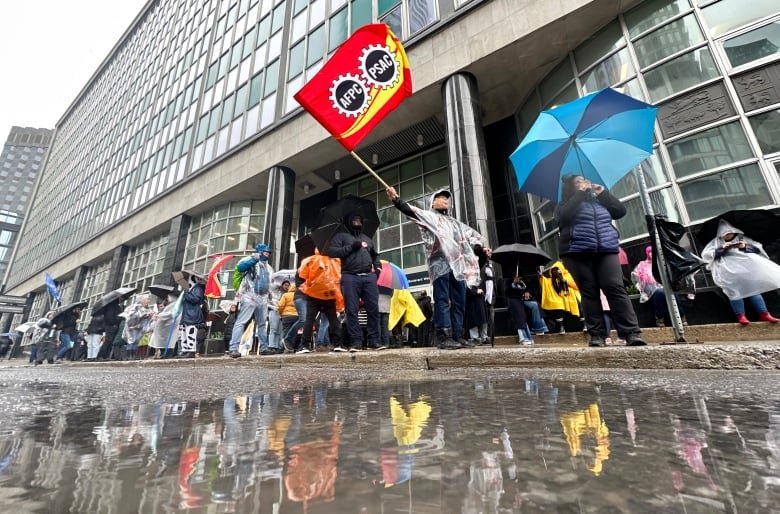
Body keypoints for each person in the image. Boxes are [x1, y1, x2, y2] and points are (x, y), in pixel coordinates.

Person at [386, 186, 491, 349]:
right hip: (439, 264)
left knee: (460, 301)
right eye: (440, 198)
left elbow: (468, 239)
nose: (445, 200)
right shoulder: (429, 217)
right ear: (433, 203)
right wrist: (396, 199)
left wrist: (480, 249)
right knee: (442, 299)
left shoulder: (455, 223)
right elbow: (410, 210)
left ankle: (457, 335)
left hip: (457, 266)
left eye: (446, 198)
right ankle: (444, 336)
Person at [554, 175, 646, 347]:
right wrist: (579, 195)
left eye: (585, 180)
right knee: (589, 291)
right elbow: (562, 217)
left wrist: (603, 193)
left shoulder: (599, 200)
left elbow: (620, 211)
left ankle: (631, 333)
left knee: (614, 287)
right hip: (577, 251)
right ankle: (597, 335)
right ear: (570, 187)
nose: (584, 182)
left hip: (606, 248)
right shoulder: (565, 203)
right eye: (578, 181)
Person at [701, 220, 780, 325]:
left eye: (730, 234)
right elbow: (707, 256)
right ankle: (741, 315)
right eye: (726, 234)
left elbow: (757, 249)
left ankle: (764, 313)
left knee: (754, 291)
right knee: (734, 293)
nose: (729, 236)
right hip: (728, 272)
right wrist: (722, 249)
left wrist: (744, 247)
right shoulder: (715, 242)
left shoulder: (742, 238)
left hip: (746, 270)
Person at [326, 213, 383, 351]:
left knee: (373, 310)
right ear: (348, 221)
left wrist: (378, 268)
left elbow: (374, 255)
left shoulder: (367, 238)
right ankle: (356, 341)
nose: (357, 221)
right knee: (352, 311)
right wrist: (352, 247)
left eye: (359, 219)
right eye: (354, 219)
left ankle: (373, 341)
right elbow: (332, 252)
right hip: (350, 277)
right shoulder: (340, 237)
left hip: (369, 277)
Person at [229, 243, 275, 358]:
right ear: (260, 251)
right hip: (249, 296)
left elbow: (270, 284)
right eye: (266, 251)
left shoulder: (268, 267)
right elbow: (240, 268)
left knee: (262, 324)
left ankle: (264, 348)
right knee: (241, 322)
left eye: (269, 252)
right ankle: (233, 348)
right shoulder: (250, 260)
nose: (267, 253)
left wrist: (271, 299)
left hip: (262, 299)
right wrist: (254, 259)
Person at [297, 250, 343, 353]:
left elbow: (301, 276)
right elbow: (338, 277)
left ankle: (304, 345)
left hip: (313, 294)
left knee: (309, 320)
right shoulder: (335, 260)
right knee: (333, 319)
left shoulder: (309, 260)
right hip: (329, 294)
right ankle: (338, 344)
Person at [631, 245, 687, 327]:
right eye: (649, 252)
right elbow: (636, 277)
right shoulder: (642, 264)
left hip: (665, 285)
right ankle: (659, 317)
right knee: (659, 292)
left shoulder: (662, 262)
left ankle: (682, 316)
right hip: (651, 289)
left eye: (653, 252)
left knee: (673, 293)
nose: (651, 254)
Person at [539, 263, 581, 334]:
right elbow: (545, 283)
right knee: (557, 305)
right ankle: (561, 327)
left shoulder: (567, 276)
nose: (555, 272)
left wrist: (565, 281)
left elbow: (576, 286)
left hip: (570, 297)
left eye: (557, 270)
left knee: (579, 303)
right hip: (560, 299)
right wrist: (540, 277)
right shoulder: (551, 280)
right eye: (553, 270)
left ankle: (584, 324)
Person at [179, 274, 206, 358]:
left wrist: (186, 294)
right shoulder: (190, 289)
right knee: (184, 333)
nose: (187, 280)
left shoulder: (197, 288)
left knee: (190, 333)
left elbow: (196, 299)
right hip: (186, 314)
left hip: (192, 315)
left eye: (188, 278)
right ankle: (185, 350)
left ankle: (191, 351)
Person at [149, 290, 181, 359]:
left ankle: (167, 354)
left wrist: (160, 315)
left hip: (168, 327)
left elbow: (171, 314)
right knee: (163, 342)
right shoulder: (171, 304)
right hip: (164, 328)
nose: (168, 298)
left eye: (169, 296)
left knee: (168, 342)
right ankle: (164, 353)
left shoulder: (175, 305)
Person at [121, 294, 154, 360]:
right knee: (131, 341)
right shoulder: (135, 307)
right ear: (142, 300)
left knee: (136, 342)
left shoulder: (147, 308)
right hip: (133, 327)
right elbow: (133, 316)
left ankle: (133, 356)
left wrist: (150, 315)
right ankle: (129, 356)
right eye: (147, 299)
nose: (149, 301)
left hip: (140, 327)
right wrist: (146, 314)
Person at [505, 276, 533, 345]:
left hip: (520, 301)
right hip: (513, 301)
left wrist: (520, 282)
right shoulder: (509, 281)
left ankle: (528, 337)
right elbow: (507, 291)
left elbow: (525, 288)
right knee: (519, 318)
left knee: (523, 318)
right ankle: (523, 338)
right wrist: (514, 283)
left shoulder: (520, 282)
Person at [277, 282, 302, 352]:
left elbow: (280, 306)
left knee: (285, 332)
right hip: (297, 316)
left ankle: (282, 348)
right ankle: (292, 347)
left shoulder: (285, 295)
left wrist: (281, 313)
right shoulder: (298, 295)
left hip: (286, 316)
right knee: (294, 332)